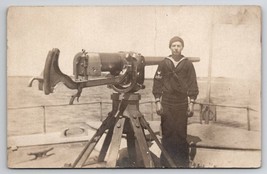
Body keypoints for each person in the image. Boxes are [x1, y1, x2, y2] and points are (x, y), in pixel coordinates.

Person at [152, 36, 199, 168]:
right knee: (167, 133)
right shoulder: (164, 63)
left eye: (178, 46)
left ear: (182, 47)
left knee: (180, 133)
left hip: (182, 103)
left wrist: (191, 103)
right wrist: (157, 101)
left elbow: (192, 84)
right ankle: (166, 163)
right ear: (170, 47)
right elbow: (157, 82)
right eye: (174, 46)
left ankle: (182, 164)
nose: (176, 48)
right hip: (167, 102)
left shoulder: (188, 64)